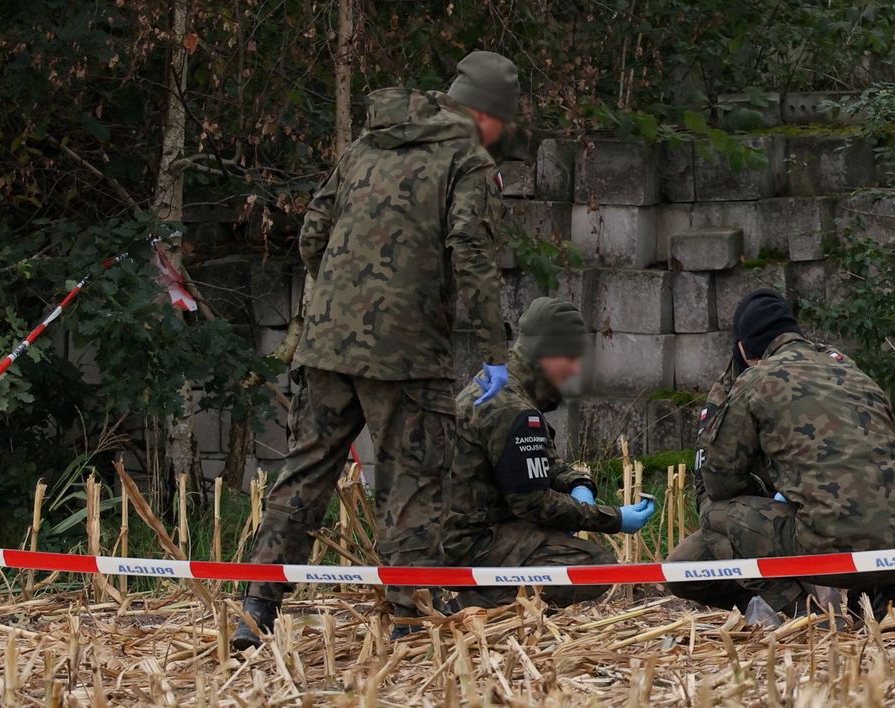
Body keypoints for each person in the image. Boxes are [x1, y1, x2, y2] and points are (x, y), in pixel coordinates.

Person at [232, 51, 520, 650]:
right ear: (488, 113)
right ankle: (411, 618)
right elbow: (471, 253)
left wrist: (345, 299)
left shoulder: (367, 145)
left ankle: (256, 609)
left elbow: (312, 235)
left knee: (305, 471)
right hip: (407, 354)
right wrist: (496, 352)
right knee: (412, 480)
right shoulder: (468, 159)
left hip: (326, 344)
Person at [667, 289, 895, 628]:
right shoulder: (850, 370)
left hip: (829, 540)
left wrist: (767, 483)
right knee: (686, 565)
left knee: (714, 512)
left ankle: (804, 613)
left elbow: (718, 482)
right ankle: (887, 599)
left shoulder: (754, 380)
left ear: (743, 349)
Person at [439, 297, 656, 612]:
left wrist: (578, 483)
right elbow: (533, 503)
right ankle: (476, 604)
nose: (575, 368)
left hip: (466, 533)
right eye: (569, 357)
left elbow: (541, 464)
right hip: (472, 543)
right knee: (595, 566)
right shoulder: (512, 409)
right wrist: (614, 518)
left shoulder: (501, 389)